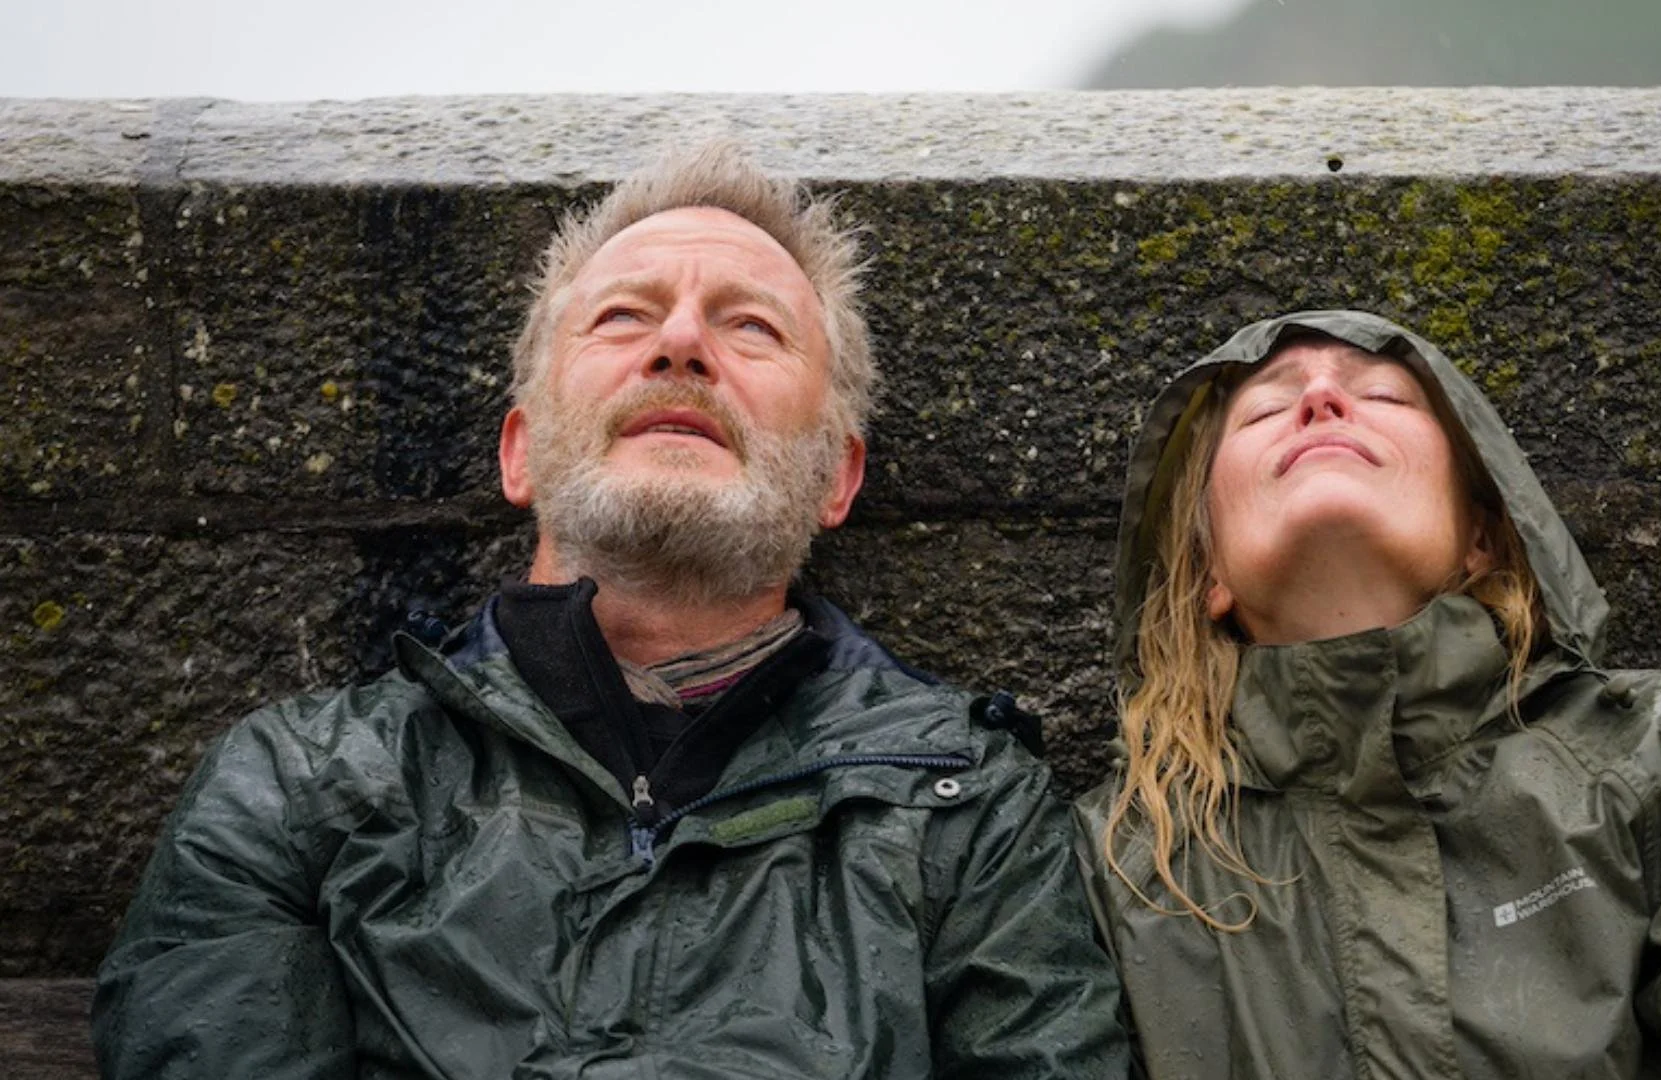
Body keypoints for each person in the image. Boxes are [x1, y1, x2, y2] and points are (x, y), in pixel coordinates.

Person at [94, 142, 1127, 1079]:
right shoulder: (296, 784)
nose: (679, 344)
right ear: (519, 452)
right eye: (624, 315)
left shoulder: (968, 808)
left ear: (836, 478)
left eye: (752, 326)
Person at [1073, 309, 1661, 1078]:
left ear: (1483, 538)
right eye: (1264, 411)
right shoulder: (1120, 861)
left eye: (1384, 396)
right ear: (1207, 574)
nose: (1321, 399)